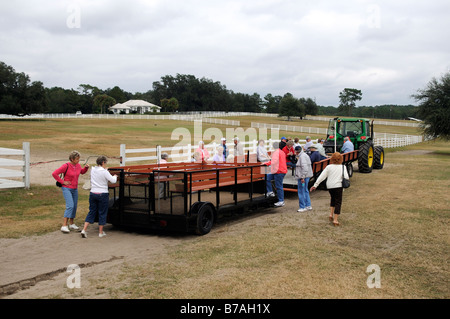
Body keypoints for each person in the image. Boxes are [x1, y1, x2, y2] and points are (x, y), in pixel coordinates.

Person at [52, 151, 89, 233]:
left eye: (78, 159)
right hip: (67, 188)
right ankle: (64, 225)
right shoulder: (66, 166)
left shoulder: (78, 165)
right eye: (77, 159)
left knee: (74, 206)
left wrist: (86, 168)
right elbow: (54, 174)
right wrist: (62, 182)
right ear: (72, 159)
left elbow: (81, 172)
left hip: (75, 189)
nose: (78, 160)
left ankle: (71, 223)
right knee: (70, 206)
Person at [81, 156, 117, 238]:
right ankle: (100, 232)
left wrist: (106, 170)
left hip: (93, 193)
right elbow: (113, 180)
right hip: (102, 193)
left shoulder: (93, 169)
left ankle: (84, 229)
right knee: (102, 212)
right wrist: (115, 176)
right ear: (103, 162)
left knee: (92, 211)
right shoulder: (104, 172)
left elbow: (100, 173)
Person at [310, 152, 349, 226]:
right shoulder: (343, 167)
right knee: (338, 202)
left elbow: (322, 176)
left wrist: (315, 185)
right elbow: (346, 177)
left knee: (333, 199)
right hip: (338, 185)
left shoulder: (329, 167)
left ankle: (331, 214)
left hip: (330, 186)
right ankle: (335, 219)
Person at [264, 141, 287, 207]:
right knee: (267, 178)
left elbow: (274, 161)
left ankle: (281, 201)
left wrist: (267, 163)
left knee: (279, 186)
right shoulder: (282, 152)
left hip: (279, 171)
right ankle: (270, 192)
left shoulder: (276, 152)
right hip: (279, 170)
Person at [294, 146, 313, 212]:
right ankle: (308, 205)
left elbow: (304, 168)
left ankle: (302, 206)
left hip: (303, 177)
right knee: (305, 190)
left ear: (296, 151)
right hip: (306, 176)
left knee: (301, 191)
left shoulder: (302, 157)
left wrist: (302, 177)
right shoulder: (304, 155)